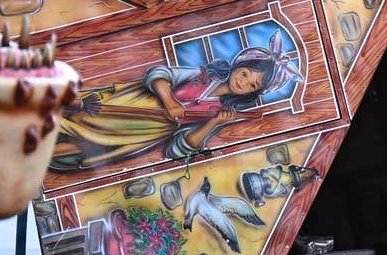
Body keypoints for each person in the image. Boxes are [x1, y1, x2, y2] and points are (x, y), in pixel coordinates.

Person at [50, 47, 291, 172]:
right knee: (81, 114)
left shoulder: (218, 110)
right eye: (245, 73)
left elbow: (180, 148)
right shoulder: (202, 76)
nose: (243, 82)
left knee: (88, 145)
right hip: (133, 103)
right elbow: (159, 74)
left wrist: (213, 123)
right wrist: (170, 101)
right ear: (238, 66)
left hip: (145, 131)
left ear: (252, 93)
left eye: (252, 84)